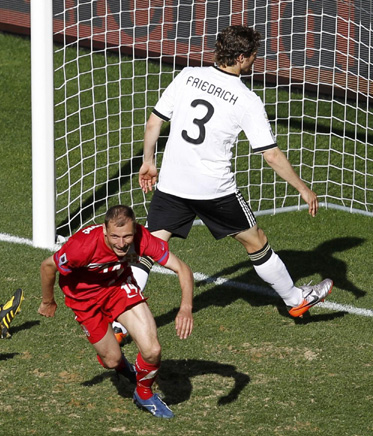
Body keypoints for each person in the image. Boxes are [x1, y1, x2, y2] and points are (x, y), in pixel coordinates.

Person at [133, 24, 333, 320]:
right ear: (241, 57)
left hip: (172, 183)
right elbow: (271, 155)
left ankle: (120, 320)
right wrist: (302, 187)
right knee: (256, 241)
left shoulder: (188, 75)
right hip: (214, 191)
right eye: (253, 55)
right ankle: (295, 299)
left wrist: (148, 160)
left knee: (150, 247)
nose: (254, 61)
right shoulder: (246, 99)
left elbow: (154, 122)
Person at [38, 205, 194, 419]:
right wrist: (48, 301)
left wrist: (185, 307)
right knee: (111, 360)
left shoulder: (142, 237)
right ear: (104, 230)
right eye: (115, 236)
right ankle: (124, 368)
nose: (121, 244)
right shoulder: (81, 247)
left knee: (153, 349)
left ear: (135, 229)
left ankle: (144, 393)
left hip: (118, 287)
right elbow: (47, 266)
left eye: (127, 236)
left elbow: (182, 268)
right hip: (83, 299)